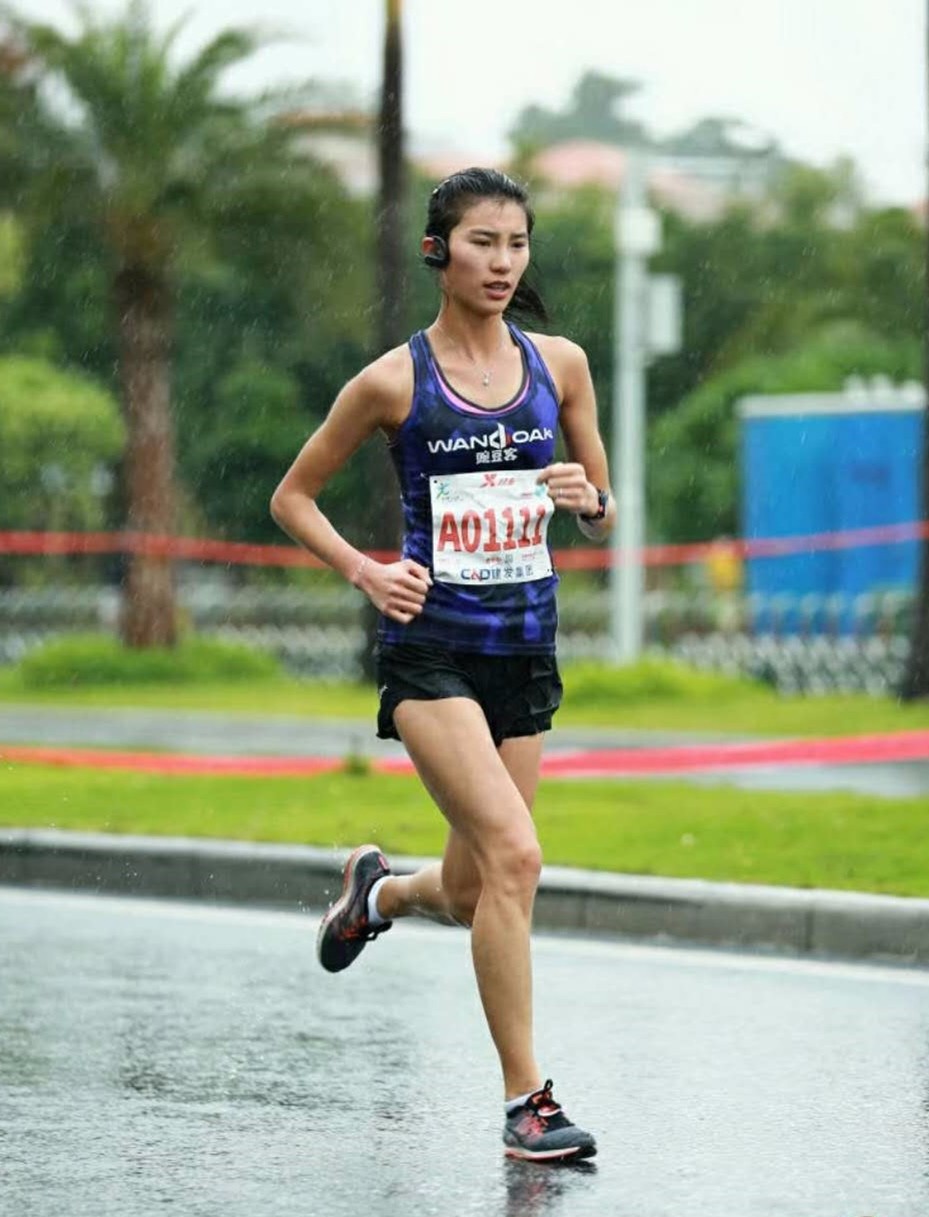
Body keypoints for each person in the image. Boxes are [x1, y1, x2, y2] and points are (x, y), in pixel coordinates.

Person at [270, 167, 614, 1163]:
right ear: (438, 252)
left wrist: (583, 497)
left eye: (516, 243)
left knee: (473, 888)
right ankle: (527, 1103)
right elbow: (293, 496)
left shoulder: (562, 366)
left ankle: (375, 894)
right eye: (481, 243)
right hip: (432, 653)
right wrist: (365, 572)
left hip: (523, 653)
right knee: (515, 857)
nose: (502, 262)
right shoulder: (392, 380)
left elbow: (603, 505)